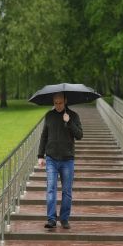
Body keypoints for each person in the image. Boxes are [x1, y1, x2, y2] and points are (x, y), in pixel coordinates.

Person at [37, 92, 83, 229]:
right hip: (51, 158)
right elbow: (44, 136)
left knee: (67, 191)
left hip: (67, 159)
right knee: (51, 189)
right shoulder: (49, 116)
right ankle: (51, 219)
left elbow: (79, 135)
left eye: (60, 103)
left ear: (65, 101)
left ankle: (64, 219)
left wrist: (69, 122)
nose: (57, 105)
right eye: (55, 103)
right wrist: (40, 156)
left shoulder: (73, 116)